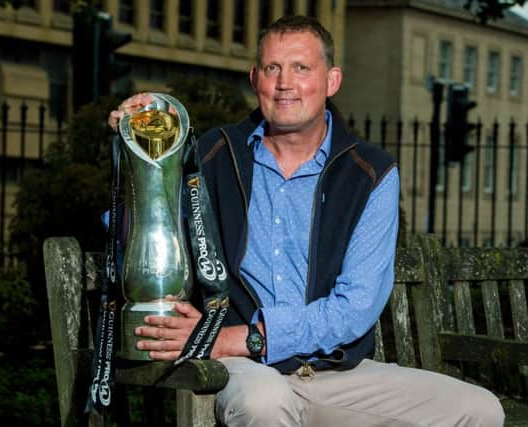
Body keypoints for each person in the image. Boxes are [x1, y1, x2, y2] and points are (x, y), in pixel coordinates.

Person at [109, 15, 504, 427]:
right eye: (272, 68)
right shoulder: (213, 155)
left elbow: (355, 308)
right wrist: (138, 157)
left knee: (479, 410)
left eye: (301, 68)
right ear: (254, 78)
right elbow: (140, 237)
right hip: (244, 370)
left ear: (332, 80)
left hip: (332, 370)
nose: (284, 82)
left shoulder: (370, 172)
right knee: (265, 402)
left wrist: (242, 337)